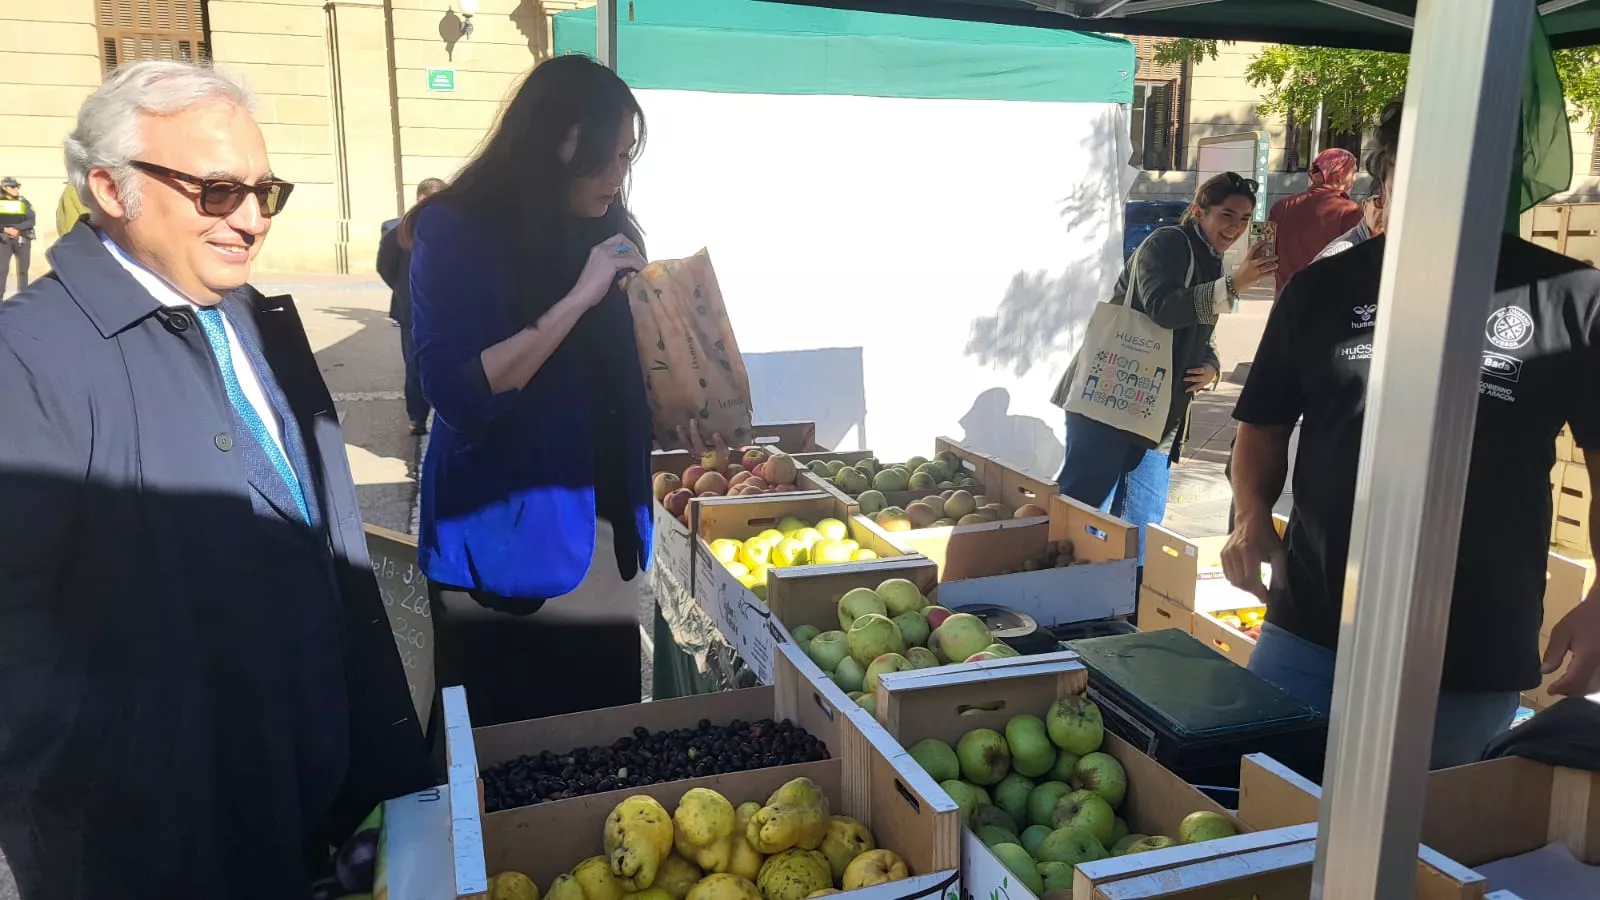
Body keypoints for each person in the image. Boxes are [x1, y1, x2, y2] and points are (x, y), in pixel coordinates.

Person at [0, 60, 432, 898]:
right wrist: (124, 787)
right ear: (109, 189)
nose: (250, 219)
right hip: (161, 846)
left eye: (265, 193)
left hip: (308, 798)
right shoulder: (26, 357)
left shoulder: (252, 316)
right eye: (217, 192)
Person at [1223, 97, 1600, 769]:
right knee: (1264, 822)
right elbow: (1263, 423)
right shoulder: (1322, 291)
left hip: (1470, 649)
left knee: (1429, 854)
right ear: (1388, 171)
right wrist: (1251, 518)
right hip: (1313, 629)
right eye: (1423, 164)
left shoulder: (1572, 297)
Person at [405, 55, 713, 728]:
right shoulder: (454, 230)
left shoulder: (608, 228)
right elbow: (459, 395)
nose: (616, 176)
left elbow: (612, 372)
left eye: (627, 157)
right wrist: (579, 296)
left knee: (600, 748)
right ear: (548, 141)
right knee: (506, 758)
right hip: (503, 546)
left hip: (604, 535)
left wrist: (671, 420)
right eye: (604, 156)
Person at [1054, 172, 1277, 564]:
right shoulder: (1168, 242)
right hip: (1113, 400)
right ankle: (1066, 594)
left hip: (1157, 414)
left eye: (1244, 219)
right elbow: (1163, 308)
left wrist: (1211, 366)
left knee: (1143, 520)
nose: (1235, 228)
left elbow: (1198, 333)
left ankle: (1132, 603)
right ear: (1198, 211)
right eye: (1227, 215)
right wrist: (1234, 284)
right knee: (1085, 513)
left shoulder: (1209, 257)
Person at [378, 177, 446, 434]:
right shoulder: (399, 232)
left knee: (444, 362)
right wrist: (404, 292)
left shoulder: (453, 229)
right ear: (420, 200)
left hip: (445, 310)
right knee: (415, 366)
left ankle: (441, 415)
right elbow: (385, 267)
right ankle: (417, 417)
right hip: (413, 312)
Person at [1266, 148, 1363, 297]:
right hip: (1328, 303)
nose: (1354, 179)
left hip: (1285, 302)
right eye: (1353, 172)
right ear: (1340, 175)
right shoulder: (1349, 211)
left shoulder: (1281, 207)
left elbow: (1267, 254)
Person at [0, 176, 36, 298]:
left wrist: (17, 229)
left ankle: (23, 299)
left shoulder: (23, 201)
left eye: (17, 186)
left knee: (23, 271)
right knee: (2, 271)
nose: (16, 189)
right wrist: (5, 229)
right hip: (4, 240)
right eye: (13, 186)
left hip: (22, 239)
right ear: (5, 188)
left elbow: (31, 220)